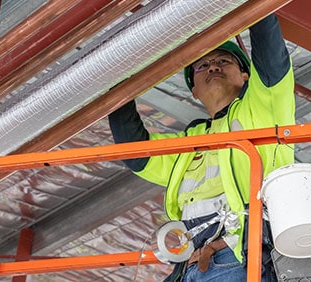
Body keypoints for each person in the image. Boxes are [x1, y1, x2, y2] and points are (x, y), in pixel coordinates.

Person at [109, 13, 295, 282]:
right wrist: (118, 75)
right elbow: (134, 151)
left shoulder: (264, 107)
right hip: (192, 266)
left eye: (223, 61)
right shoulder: (190, 143)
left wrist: (257, 10)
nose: (213, 67)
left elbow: (271, 57)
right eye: (202, 65)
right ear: (193, 91)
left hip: (241, 258)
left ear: (245, 75)